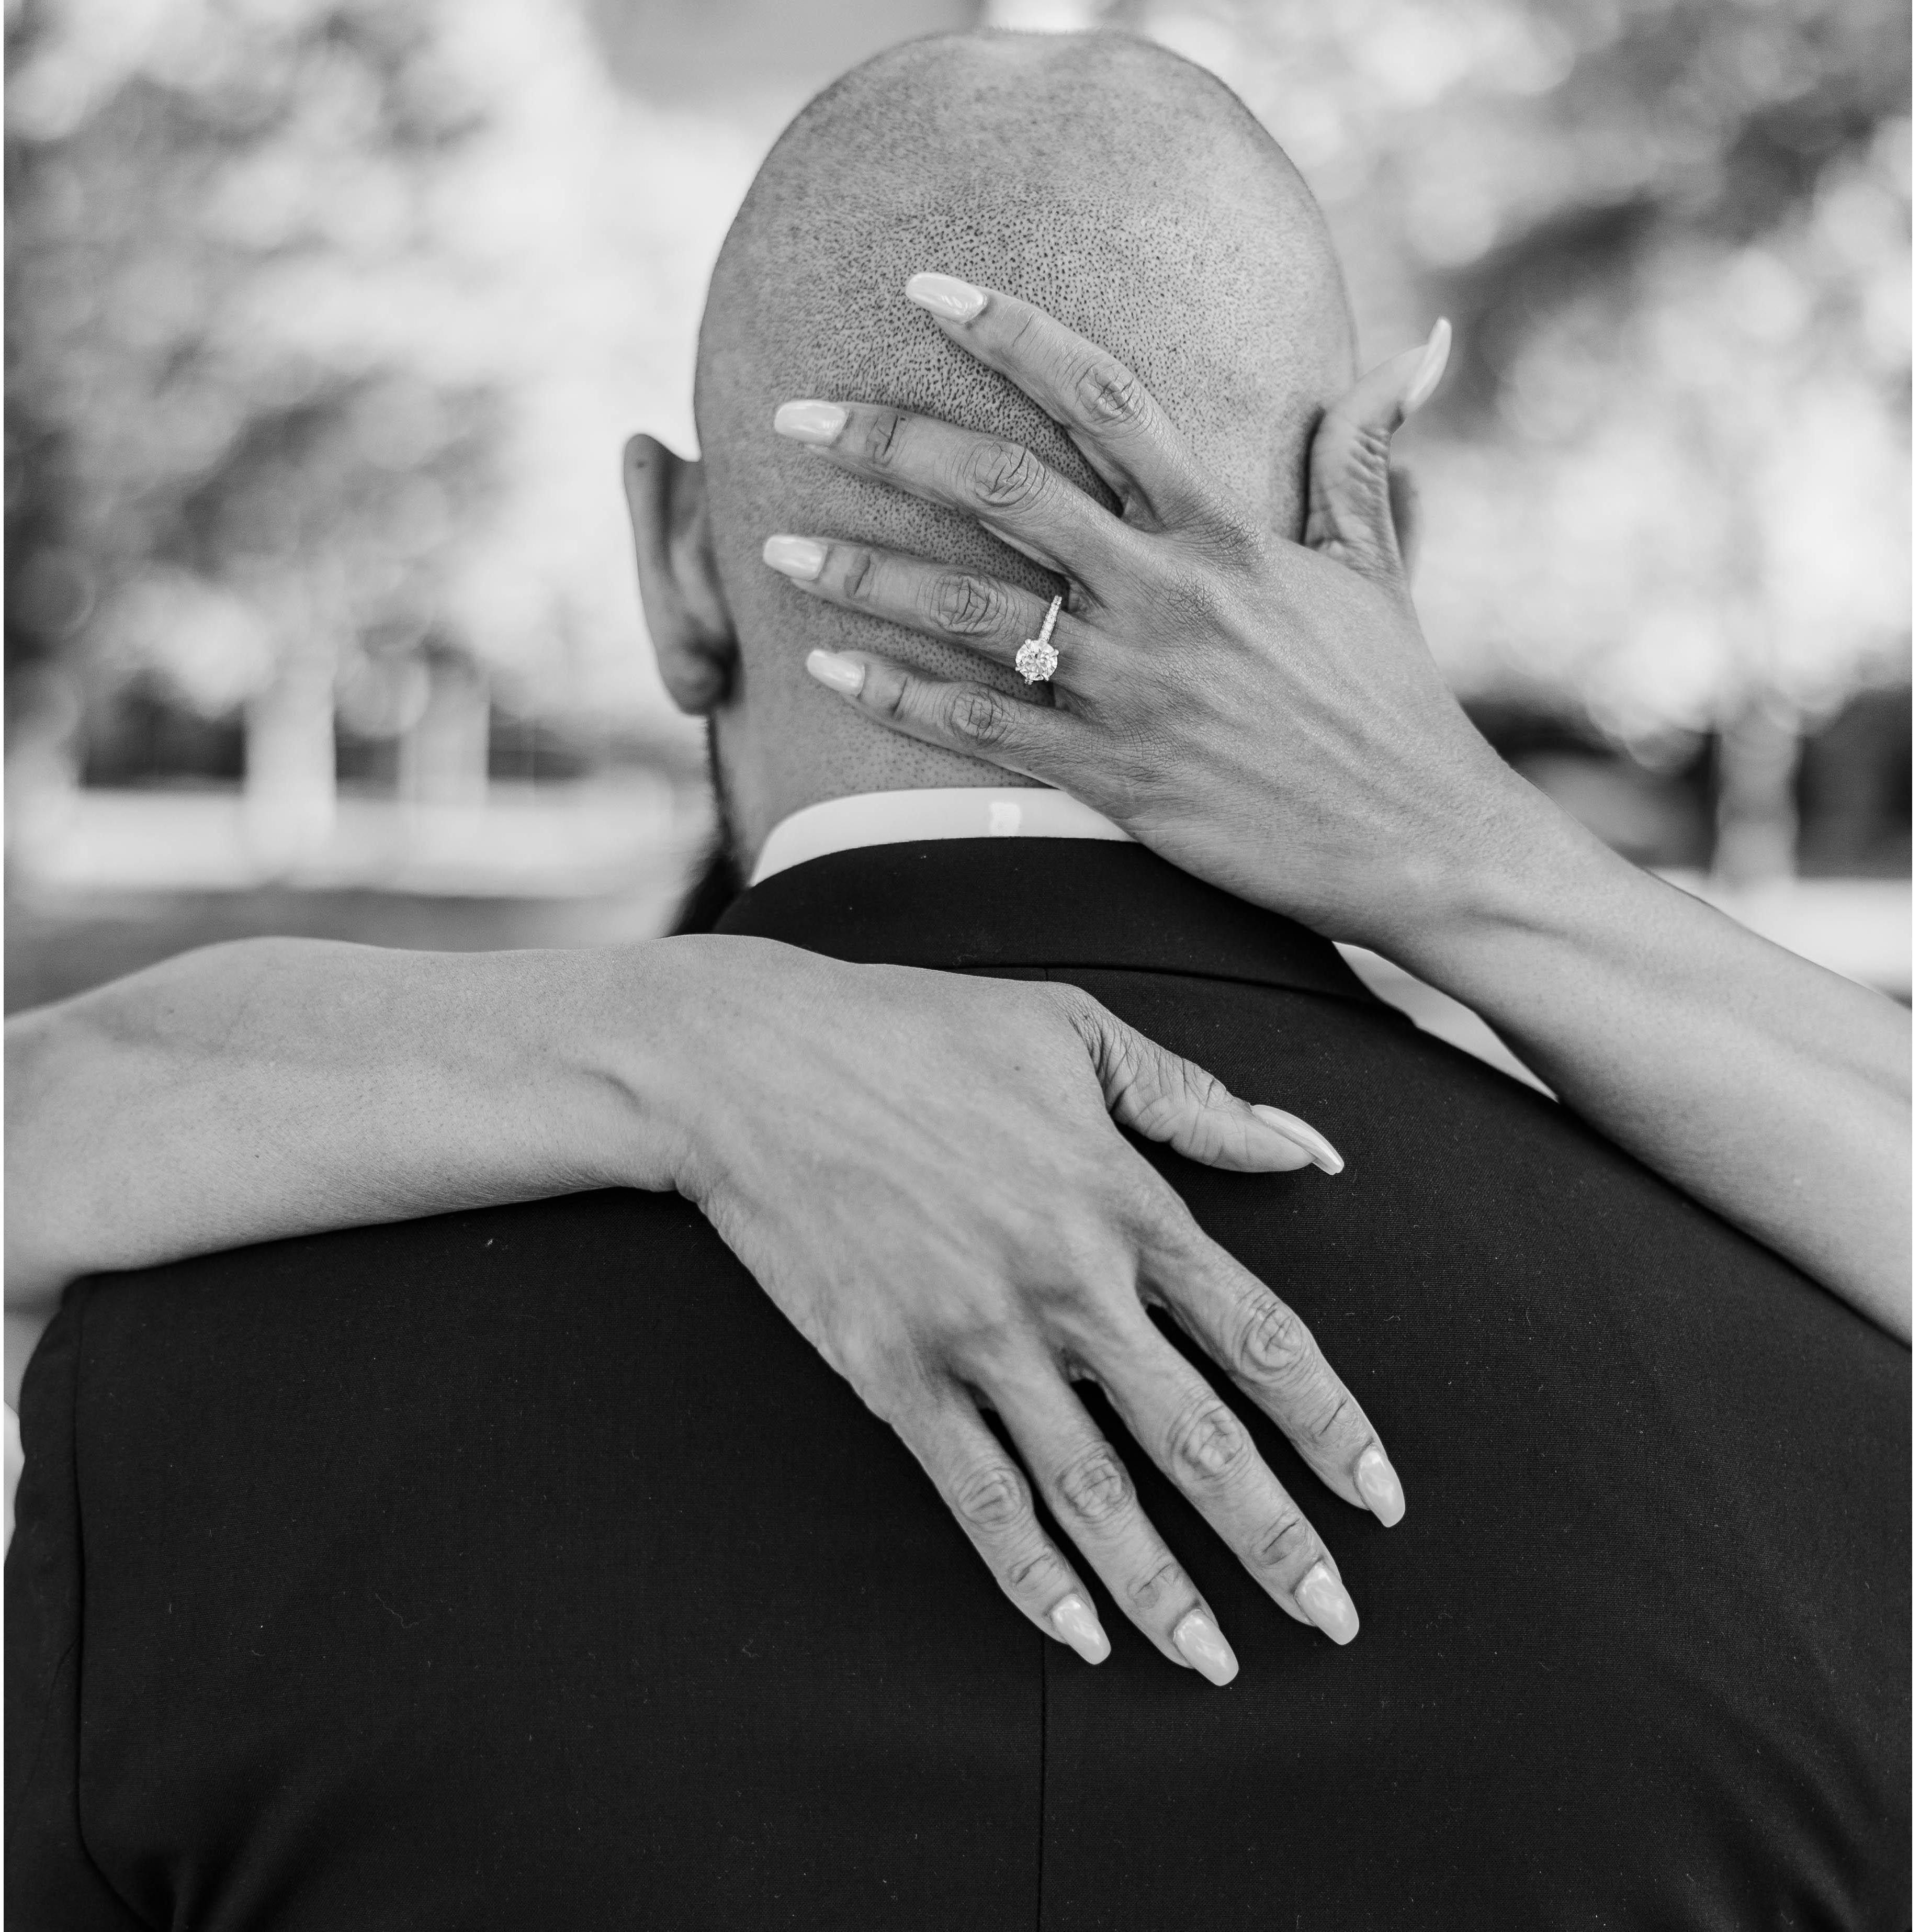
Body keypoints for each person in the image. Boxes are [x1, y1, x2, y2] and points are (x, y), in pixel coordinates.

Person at [6, 27, 1905, 1931]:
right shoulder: (1841, 1437)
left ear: (675, 562)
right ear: (1367, 538)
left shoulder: (171, 1418)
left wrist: (668, 1038)